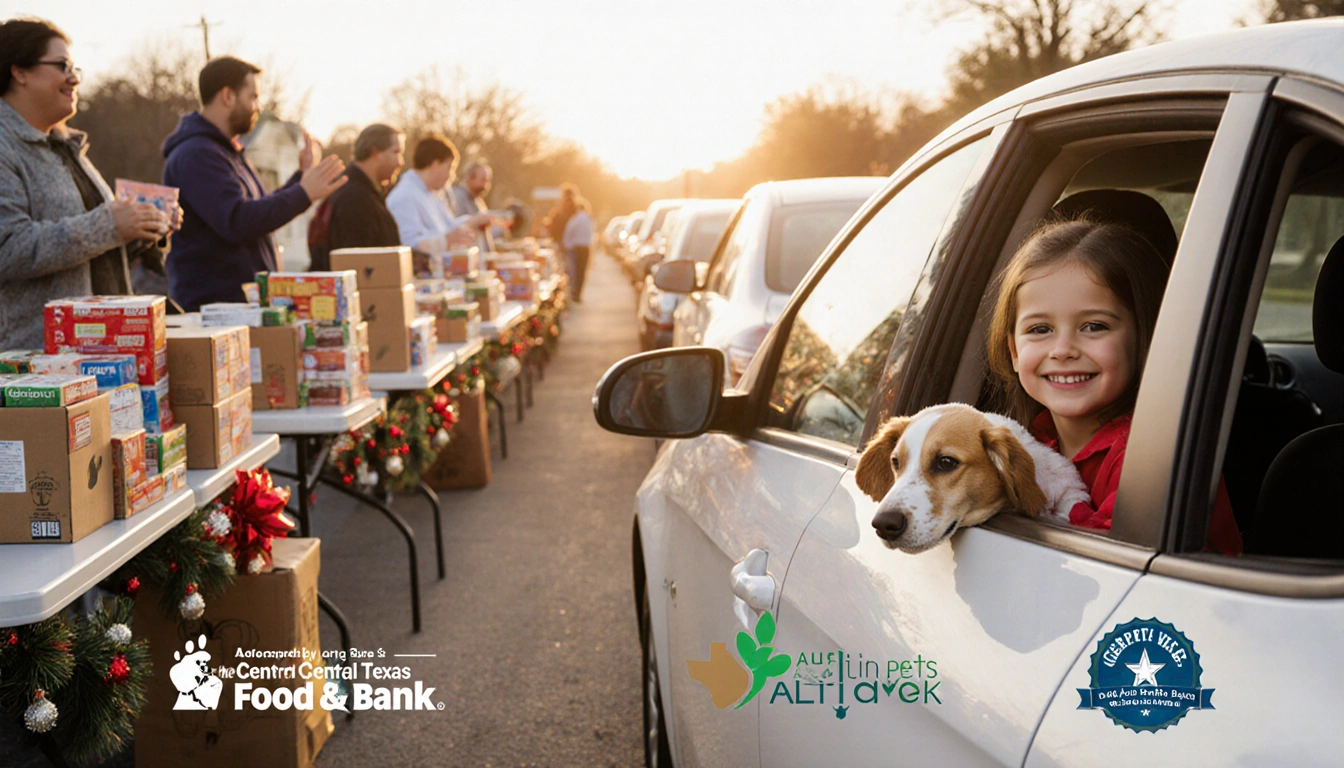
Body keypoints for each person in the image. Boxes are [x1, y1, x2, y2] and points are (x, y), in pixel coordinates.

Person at [986, 217, 1242, 554]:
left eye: (1094, 326)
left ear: (1143, 340)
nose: (1063, 350)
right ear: (1014, 352)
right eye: (1040, 329)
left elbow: (1113, 561)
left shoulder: (1152, 455)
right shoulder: (1030, 440)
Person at [0, 17, 171, 348]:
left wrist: (143, 228)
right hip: (33, 365)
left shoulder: (65, 147)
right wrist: (109, 225)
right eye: (62, 65)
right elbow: (8, 249)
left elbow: (92, 247)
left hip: (93, 351)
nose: (74, 78)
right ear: (18, 71)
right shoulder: (5, 147)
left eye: (75, 68)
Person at [162, 56, 345, 310]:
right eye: (253, 96)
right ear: (228, 96)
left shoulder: (225, 151)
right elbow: (238, 221)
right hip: (217, 311)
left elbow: (257, 209)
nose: (257, 106)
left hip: (238, 308)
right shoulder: (197, 154)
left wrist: (301, 178)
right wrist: (303, 192)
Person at [385, 134, 488, 257]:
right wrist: (447, 240)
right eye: (450, 168)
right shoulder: (404, 196)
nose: (451, 176)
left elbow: (448, 227)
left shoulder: (433, 195)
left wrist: (472, 222)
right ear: (435, 164)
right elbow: (408, 245)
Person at [318, 123, 405, 257]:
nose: (401, 162)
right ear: (375, 153)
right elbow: (360, 263)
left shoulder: (364, 192)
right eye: (396, 152)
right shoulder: (353, 198)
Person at [448, 159, 495, 253]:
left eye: (487, 181)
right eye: (482, 180)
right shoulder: (457, 198)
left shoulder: (478, 200)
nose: (485, 185)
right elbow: (454, 229)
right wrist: (476, 221)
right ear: (469, 178)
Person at [563, 198, 594, 302]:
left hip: (576, 248)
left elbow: (568, 233)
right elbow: (591, 235)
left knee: (575, 272)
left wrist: (568, 247)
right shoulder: (588, 219)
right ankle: (578, 294)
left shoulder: (575, 219)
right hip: (585, 248)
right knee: (582, 272)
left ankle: (574, 292)